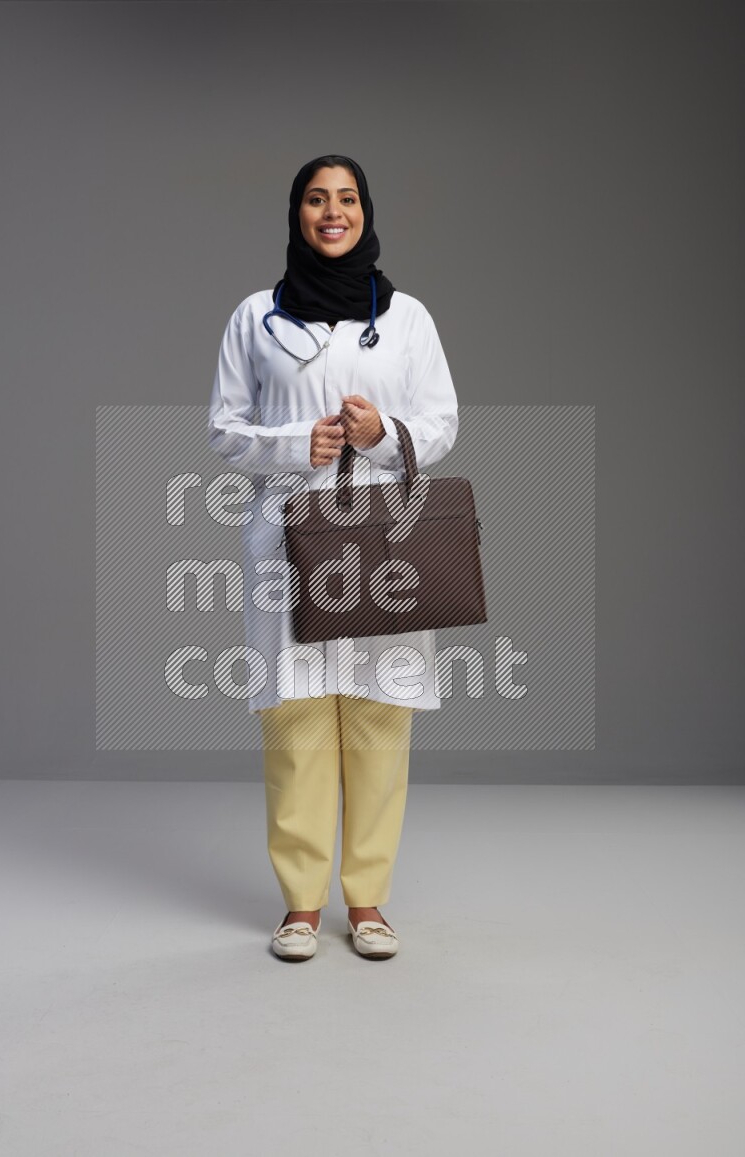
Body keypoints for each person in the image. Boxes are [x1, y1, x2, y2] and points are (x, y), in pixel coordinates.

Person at [207, 154, 458, 961]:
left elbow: (444, 420)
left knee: (380, 716)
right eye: (317, 199)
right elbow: (222, 429)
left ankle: (369, 899)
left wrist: (384, 435)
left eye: (346, 198)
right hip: (289, 534)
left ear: (365, 211)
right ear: (297, 214)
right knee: (296, 719)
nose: (332, 212)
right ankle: (301, 906)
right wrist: (296, 442)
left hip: (382, 538)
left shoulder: (408, 317)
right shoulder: (255, 316)